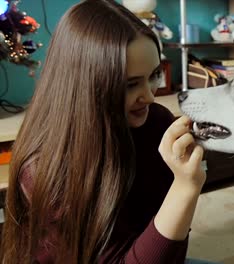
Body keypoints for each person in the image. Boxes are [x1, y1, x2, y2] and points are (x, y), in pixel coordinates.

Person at [0, 0, 215, 263]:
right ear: (85, 86)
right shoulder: (46, 167)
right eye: (130, 85)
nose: (149, 96)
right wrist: (185, 187)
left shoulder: (157, 123)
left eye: (153, 75)